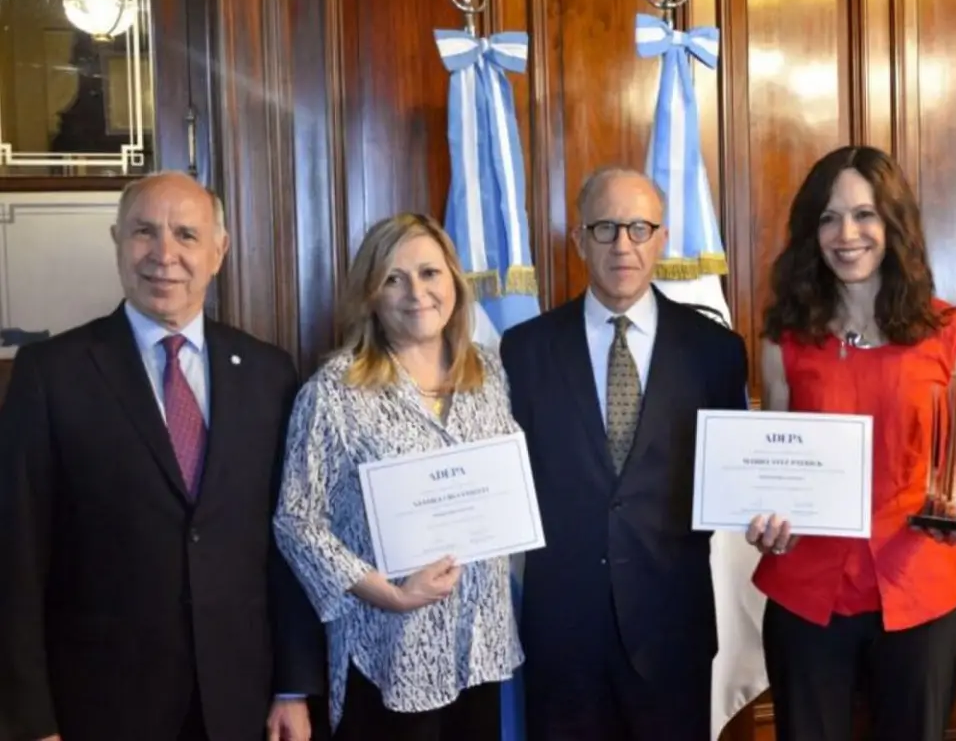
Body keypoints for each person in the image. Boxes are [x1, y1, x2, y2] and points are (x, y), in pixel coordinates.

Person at [0, 172, 324, 741]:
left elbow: (289, 541)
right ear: (117, 242)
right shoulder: (50, 374)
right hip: (99, 704)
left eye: (186, 235)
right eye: (144, 232)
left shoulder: (269, 373)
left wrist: (292, 686)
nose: (164, 254)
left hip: (240, 699)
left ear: (219, 251)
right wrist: (30, 720)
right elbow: (16, 554)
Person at [500, 166, 749, 741]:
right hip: (562, 636)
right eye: (605, 228)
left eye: (640, 228)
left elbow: (733, 479)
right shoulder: (524, 350)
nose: (623, 245)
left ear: (663, 239)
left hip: (672, 632)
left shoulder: (715, 351)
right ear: (579, 240)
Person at [746, 145, 956, 740]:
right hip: (807, 589)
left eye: (864, 214)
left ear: (893, 223)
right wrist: (765, 514)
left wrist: (953, 504)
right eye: (828, 218)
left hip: (919, 584)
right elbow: (775, 462)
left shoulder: (952, 332)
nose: (846, 234)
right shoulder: (784, 340)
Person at [273, 213, 522, 740]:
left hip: (479, 645)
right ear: (371, 294)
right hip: (388, 652)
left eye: (429, 273)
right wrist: (386, 592)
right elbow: (296, 522)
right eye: (394, 278)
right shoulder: (335, 391)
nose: (416, 293)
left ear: (454, 280)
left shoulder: (488, 373)